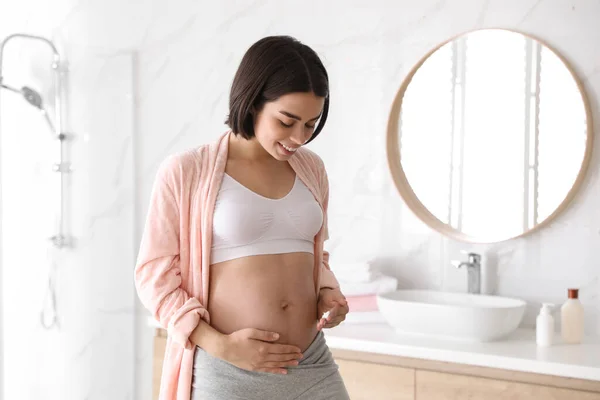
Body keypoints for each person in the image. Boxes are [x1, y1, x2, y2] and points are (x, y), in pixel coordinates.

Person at [135, 35, 350, 400]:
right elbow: (153, 277)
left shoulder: (312, 169)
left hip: (310, 363)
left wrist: (328, 291)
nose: (299, 137)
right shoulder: (188, 171)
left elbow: (316, 257)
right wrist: (220, 345)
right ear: (252, 103)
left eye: (311, 125)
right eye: (287, 121)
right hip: (229, 371)